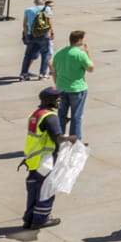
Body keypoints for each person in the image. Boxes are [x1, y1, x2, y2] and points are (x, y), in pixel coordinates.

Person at [22, 88, 74, 229]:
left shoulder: (36, 114)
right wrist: (72, 139)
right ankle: (41, 219)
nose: (59, 100)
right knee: (46, 190)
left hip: (33, 159)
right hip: (45, 161)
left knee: (33, 190)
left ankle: (29, 218)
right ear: (48, 100)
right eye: (56, 98)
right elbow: (57, 137)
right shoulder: (50, 117)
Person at [50, 31, 95, 142]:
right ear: (79, 40)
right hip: (77, 89)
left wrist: (57, 84)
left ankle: (59, 137)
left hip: (61, 88)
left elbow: (53, 70)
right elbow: (91, 69)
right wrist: (88, 53)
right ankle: (75, 140)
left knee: (61, 115)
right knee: (76, 116)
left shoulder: (59, 53)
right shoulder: (80, 54)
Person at [20, 0, 55, 81]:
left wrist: (26, 34)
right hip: (43, 35)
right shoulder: (47, 9)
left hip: (31, 35)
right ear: (44, 2)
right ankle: (42, 74)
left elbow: (25, 24)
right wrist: (52, 32)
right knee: (45, 54)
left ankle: (23, 74)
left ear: (35, 2)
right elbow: (49, 22)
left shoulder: (28, 10)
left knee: (27, 56)